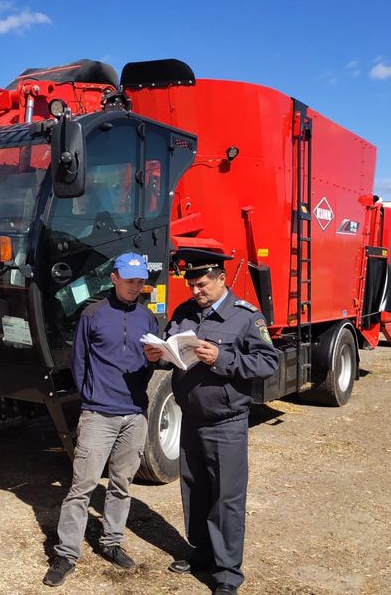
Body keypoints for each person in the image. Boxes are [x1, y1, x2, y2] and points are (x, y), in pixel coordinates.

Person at [144, 252, 279, 595]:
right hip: (191, 418)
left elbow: (268, 363)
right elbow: (173, 355)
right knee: (195, 490)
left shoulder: (246, 317)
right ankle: (203, 552)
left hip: (226, 423)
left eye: (202, 284)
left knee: (227, 498)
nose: (196, 291)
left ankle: (227, 573)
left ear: (221, 279)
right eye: (191, 285)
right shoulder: (184, 313)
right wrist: (159, 357)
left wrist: (223, 359)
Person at [43, 252, 158, 587]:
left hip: (134, 415)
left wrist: (157, 360)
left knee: (122, 485)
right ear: (114, 278)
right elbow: (78, 362)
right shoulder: (93, 314)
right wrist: (91, 399)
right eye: (130, 280)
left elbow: (153, 363)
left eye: (140, 281)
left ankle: (111, 542)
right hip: (98, 415)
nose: (136, 287)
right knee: (82, 487)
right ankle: (66, 554)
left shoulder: (148, 318)